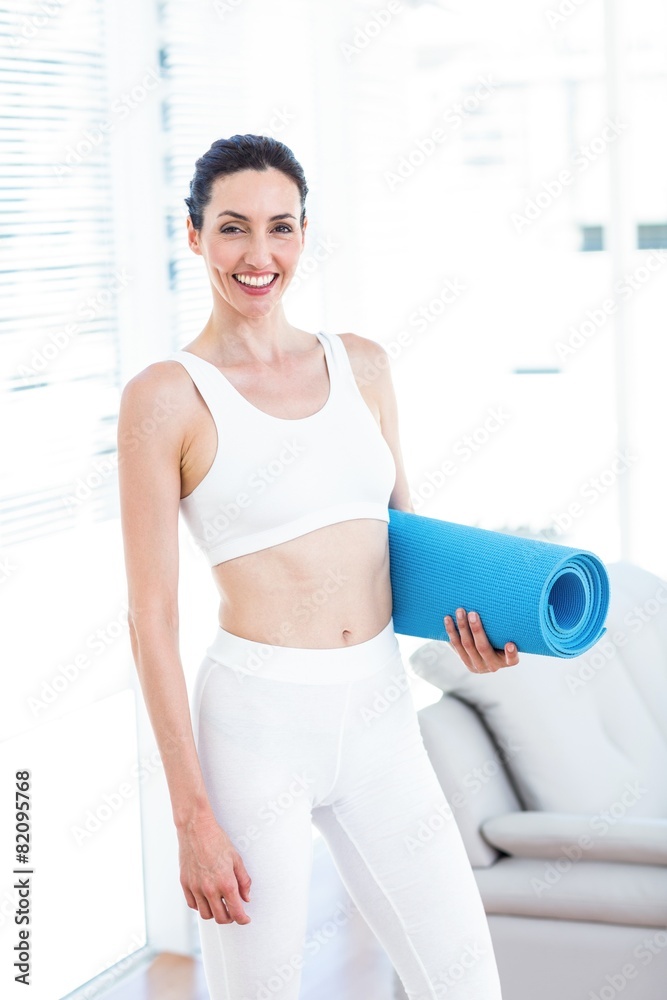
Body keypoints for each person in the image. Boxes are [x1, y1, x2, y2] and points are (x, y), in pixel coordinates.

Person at [117, 134, 519, 1000]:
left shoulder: (363, 364)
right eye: (231, 229)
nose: (258, 256)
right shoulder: (165, 397)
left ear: (303, 235)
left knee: (466, 985)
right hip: (254, 728)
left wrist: (476, 633)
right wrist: (192, 817)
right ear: (193, 237)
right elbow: (150, 617)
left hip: (379, 715)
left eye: (280, 228)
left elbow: (404, 545)